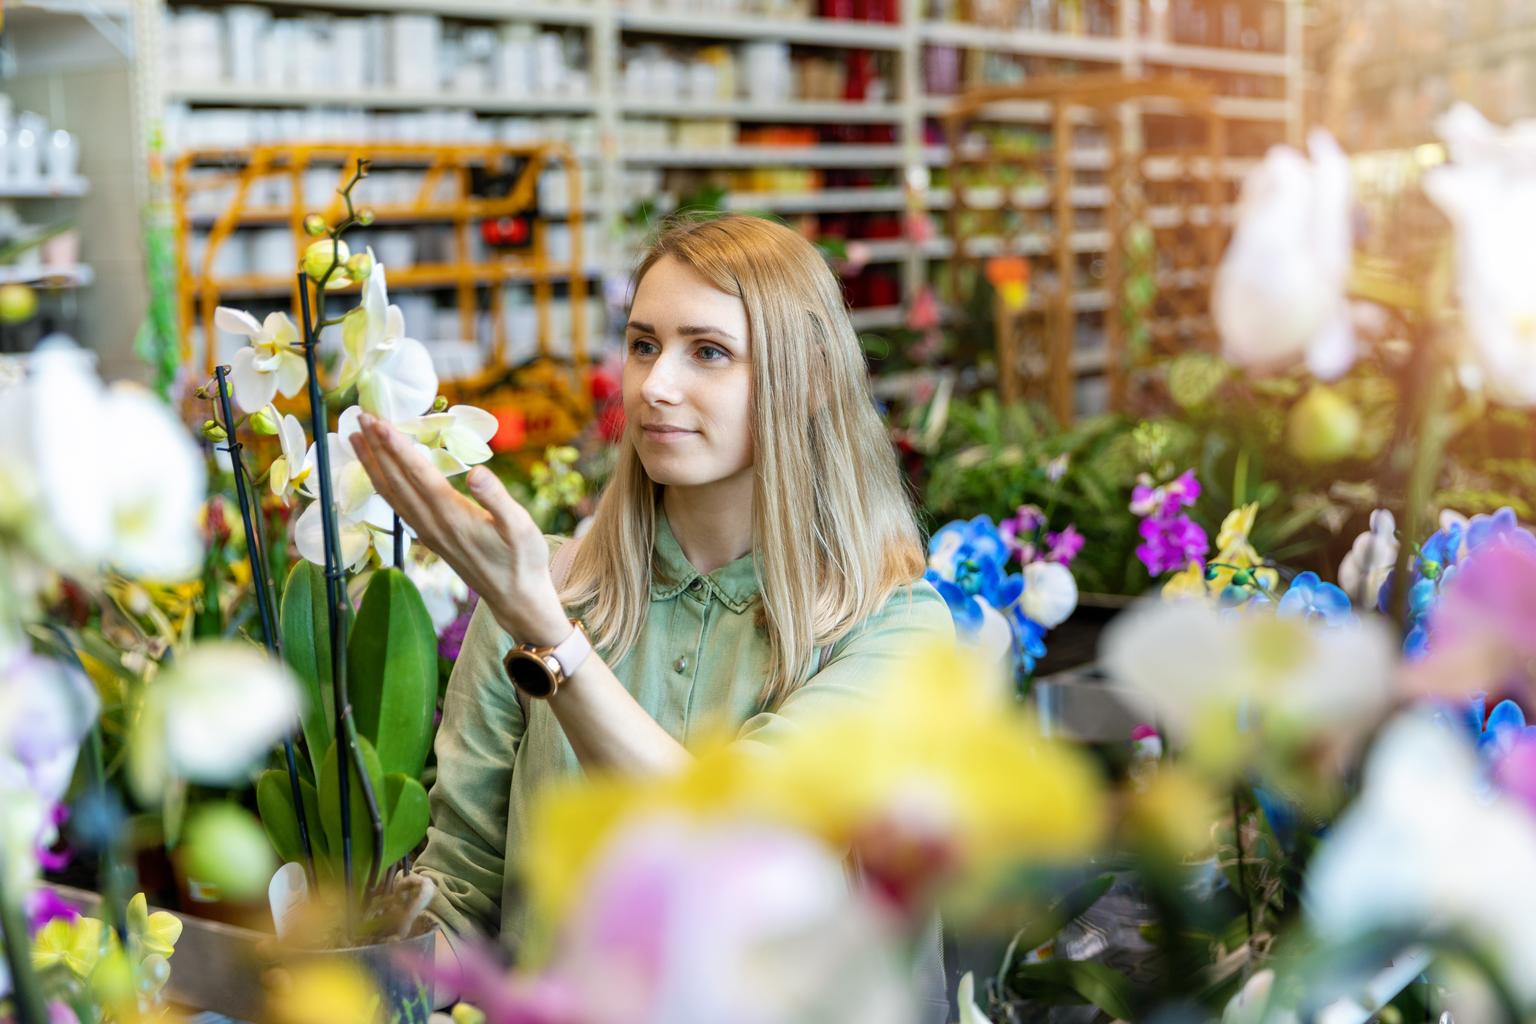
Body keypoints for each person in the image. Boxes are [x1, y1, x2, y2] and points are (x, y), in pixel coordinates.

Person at [348, 213, 954, 1019]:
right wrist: (375, 980)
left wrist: (551, 640)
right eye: (642, 344)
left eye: (708, 351)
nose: (655, 385)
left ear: (806, 380)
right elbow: (464, 886)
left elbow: (737, 848)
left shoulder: (897, 631)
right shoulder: (544, 592)